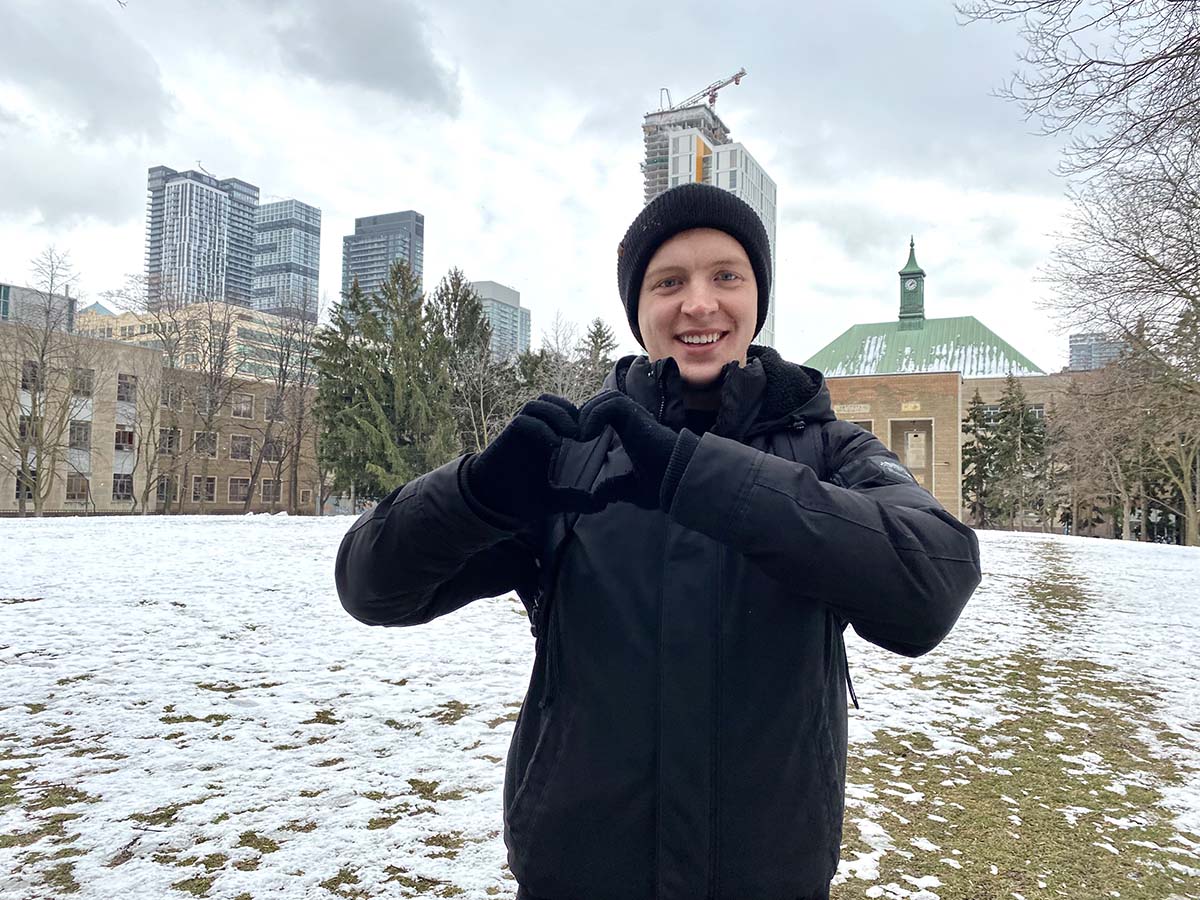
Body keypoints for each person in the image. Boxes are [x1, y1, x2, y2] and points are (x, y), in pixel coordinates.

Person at [335, 182, 982, 900]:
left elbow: (933, 581)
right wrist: (472, 496)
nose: (699, 304)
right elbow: (372, 588)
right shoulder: (572, 456)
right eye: (668, 281)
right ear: (638, 310)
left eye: (726, 277)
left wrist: (692, 474)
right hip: (577, 875)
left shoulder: (831, 450)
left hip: (769, 877)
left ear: (758, 299)